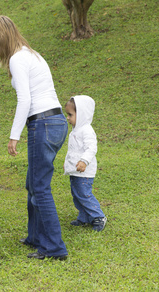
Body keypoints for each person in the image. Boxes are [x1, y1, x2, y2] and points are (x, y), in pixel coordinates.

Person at [0, 15, 68, 260]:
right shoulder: (31, 54)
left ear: (1, 37)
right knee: (33, 183)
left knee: (40, 188)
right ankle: (35, 237)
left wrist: (14, 137)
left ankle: (54, 248)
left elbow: (25, 100)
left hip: (42, 124)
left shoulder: (18, 58)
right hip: (56, 122)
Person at [64, 95, 107, 231]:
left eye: (70, 115)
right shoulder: (76, 130)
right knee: (76, 194)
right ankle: (84, 217)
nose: (68, 118)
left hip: (84, 171)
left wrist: (84, 161)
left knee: (84, 194)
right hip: (75, 170)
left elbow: (91, 148)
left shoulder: (87, 130)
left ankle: (98, 216)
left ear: (81, 114)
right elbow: (73, 150)